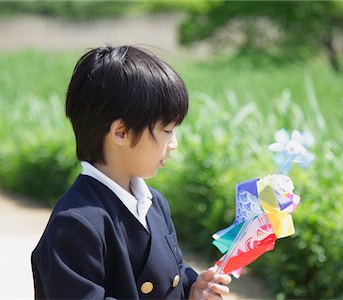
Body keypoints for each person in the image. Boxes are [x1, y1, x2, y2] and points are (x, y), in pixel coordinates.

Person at [31, 45, 231, 299]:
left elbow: (171, 274)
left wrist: (193, 289)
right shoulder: (74, 224)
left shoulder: (154, 203)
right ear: (121, 133)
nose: (174, 143)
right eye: (167, 130)